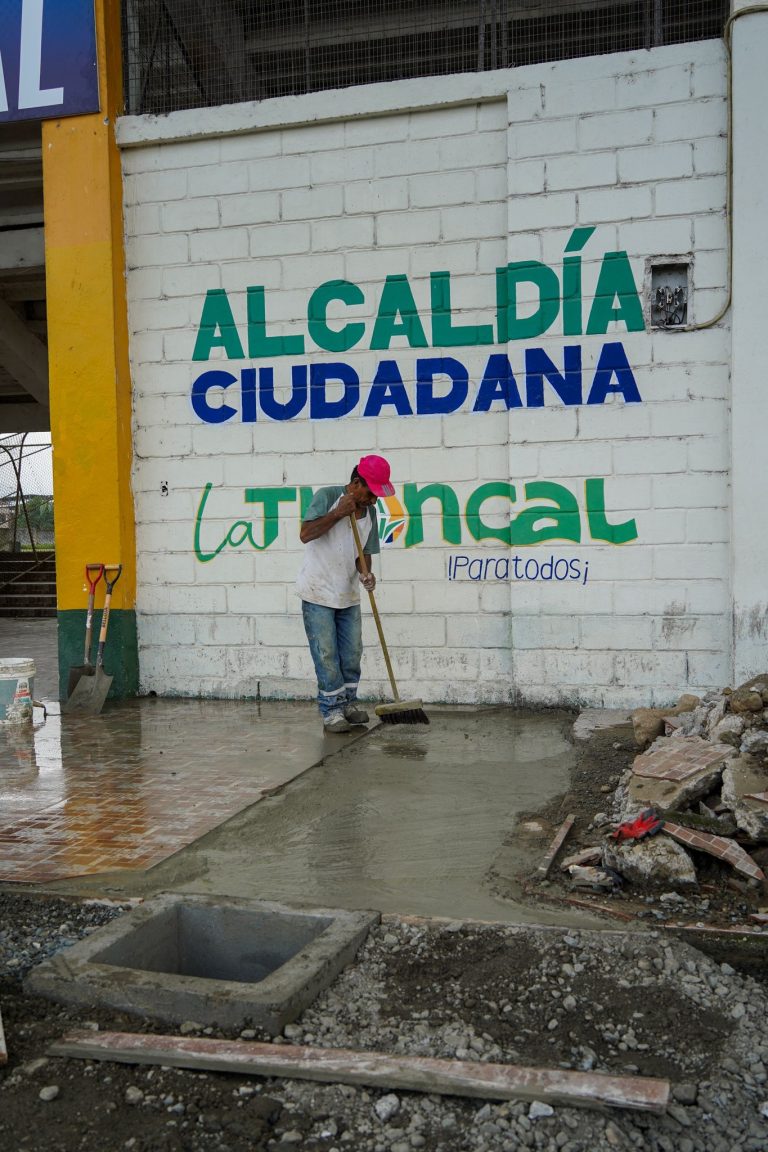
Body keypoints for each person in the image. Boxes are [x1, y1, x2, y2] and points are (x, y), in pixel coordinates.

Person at [297, 454, 394, 733]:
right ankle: (332, 711)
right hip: (318, 593)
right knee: (326, 654)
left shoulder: (370, 513)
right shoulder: (327, 496)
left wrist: (366, 572)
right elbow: (306, 534)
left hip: (348, 594)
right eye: (371, 493)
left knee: (351, 654)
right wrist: (338, 512)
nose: (374, 501)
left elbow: (363, 552)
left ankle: (349, 703)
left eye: (377, 496)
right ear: (355, 483)